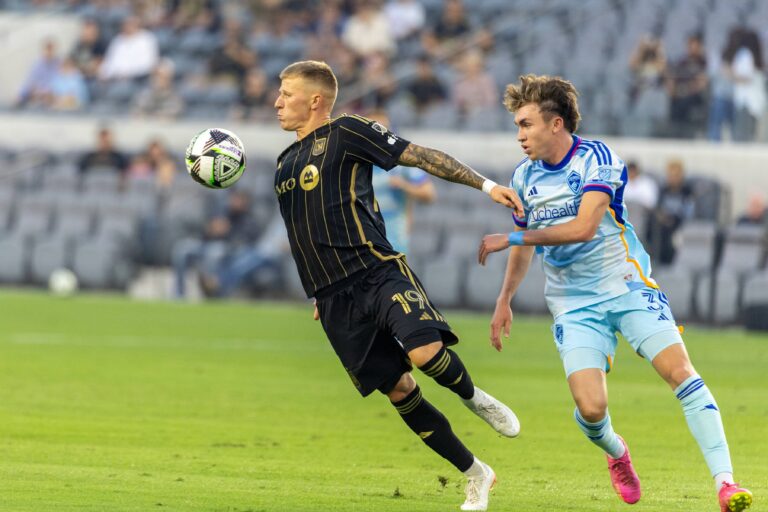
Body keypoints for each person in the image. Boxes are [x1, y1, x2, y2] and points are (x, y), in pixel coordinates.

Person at [477, 74, 752, 512]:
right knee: (590, 409)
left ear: (555, 124)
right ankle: (617, 453)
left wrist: (511, 238)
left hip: (626, 285)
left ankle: (726, 484)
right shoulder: (523, 176)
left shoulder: (598, 158)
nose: (520, 136)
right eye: (517, 126)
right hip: (572, 302)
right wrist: (504, 299)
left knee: (680, 371)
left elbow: (583, 228)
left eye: (526, 124)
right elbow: (528, 243)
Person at [273, 60, 523, 512]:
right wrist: (315, 291)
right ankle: (477, 475)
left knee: (425, 354)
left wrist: (486, 187)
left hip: (377, 270)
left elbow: (421, 156)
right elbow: (300, 233)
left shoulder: (347, 131)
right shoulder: (285, 164)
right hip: (333, 299)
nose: (277, 102)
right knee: (400, 390)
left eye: (285, 93)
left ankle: (475, 398)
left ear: (314, 101)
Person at [367, 109, 436, 254]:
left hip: (394, 242)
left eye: (382, 130)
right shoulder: (356, 164)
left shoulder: (402, 164)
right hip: (364, 242)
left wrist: (404, 185)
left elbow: (429, 194)